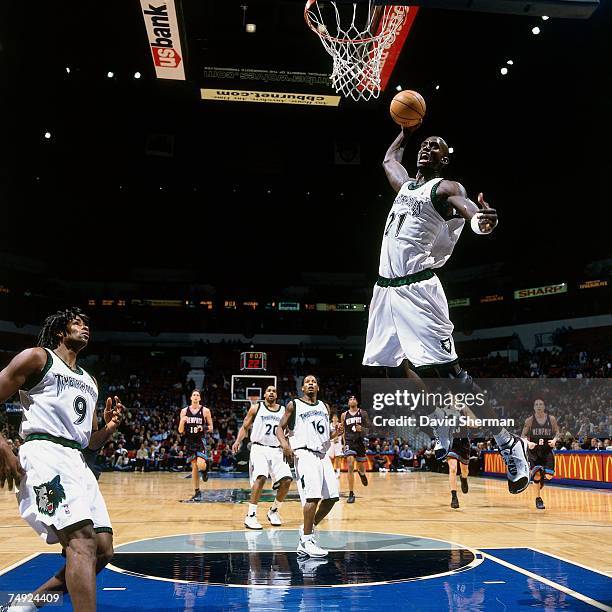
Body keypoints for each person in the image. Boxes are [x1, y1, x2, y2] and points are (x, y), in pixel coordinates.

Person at [362, 125, 530, 494]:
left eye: (435, 147)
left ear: (446, 158)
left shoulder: (445, 188)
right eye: (424, 145)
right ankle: (440, 419)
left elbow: (470, 212)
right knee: (387, 368)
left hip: (419, 288)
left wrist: (481, 221)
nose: (427, 149)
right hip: (385, 289)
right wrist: (405, 132)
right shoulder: (406, 186)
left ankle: (507, 442)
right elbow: (389, 159)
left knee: (450, 375)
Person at [0, 308, 124, 612]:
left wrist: (108, 428)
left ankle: (27, 604)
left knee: (103, 550)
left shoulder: (90, 380)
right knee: (81, 543)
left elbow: (88, 442)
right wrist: (2, 445)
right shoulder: (38, 358)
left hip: (77, 462)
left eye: (88, 324)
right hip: (43, 456)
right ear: (59, 331)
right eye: (77, 322)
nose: (85, 327)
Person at [277, 375, 340, 558]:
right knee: (312, 498)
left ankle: (308, 528)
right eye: (307, 382)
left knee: (331, 498)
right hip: (304, 454)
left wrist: (337, 432)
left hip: (322, 455)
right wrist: (285, 445)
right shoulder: (294, 405)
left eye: (313, 381)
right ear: (303, 388)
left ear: (318, 387)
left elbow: (326, 434)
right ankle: (306, 540)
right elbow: (279, 428)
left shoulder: (324, 406)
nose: (311, 383)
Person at [232, 386, 293, 529]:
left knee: (287, 480)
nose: (271, 392)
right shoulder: (256, 408)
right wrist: (237, 441)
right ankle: (251, 516)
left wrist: (288, 446)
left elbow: (288, 431)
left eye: (274, 391)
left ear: (277, 395)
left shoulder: (284, 410)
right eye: (269, 391)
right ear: (264, 394)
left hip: (277, 449)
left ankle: (273, 511)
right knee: (261, 477)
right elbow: (245, 427)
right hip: (259, 448)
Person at [521, 399, 559, 510]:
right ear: (534, 407)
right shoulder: (529, 420)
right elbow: (523, 436)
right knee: (536, 475)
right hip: (534, 452)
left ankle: (543, 476)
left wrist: (554, 441)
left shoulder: (551, 419)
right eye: (536, 404)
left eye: (541, 404)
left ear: (544, 406)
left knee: (549, 476)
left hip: (547, 451)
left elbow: (557, 432)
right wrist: (528, 443)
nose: (539, 406)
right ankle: (538, 499)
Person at [178, 389, 213, 501]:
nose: (196, 396)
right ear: (191, 398)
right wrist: (182, 422)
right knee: (194, 466)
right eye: (194, 395)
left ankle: (205, 470)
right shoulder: (184, 411)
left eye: (198, 395)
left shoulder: (205, 411)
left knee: (201, 464)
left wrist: (203, 427)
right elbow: (180, 431)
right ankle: (197, 491)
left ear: (200, 398)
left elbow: (211, 427)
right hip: (189, 441)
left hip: (200, 440)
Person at [340, 396, 371, 503]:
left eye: (354, 399)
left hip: (360, 442)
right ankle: (351, 493)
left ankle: (362, 474)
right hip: (349, 442)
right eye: (350, 399)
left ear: (357, 402)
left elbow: (369, 430)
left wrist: (361, 429)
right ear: (348, 403)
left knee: (361, 468)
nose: (352, 400)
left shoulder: (363, 413)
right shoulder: (344, 415)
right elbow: (343, 431)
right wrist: (343, 443)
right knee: (350, 464)